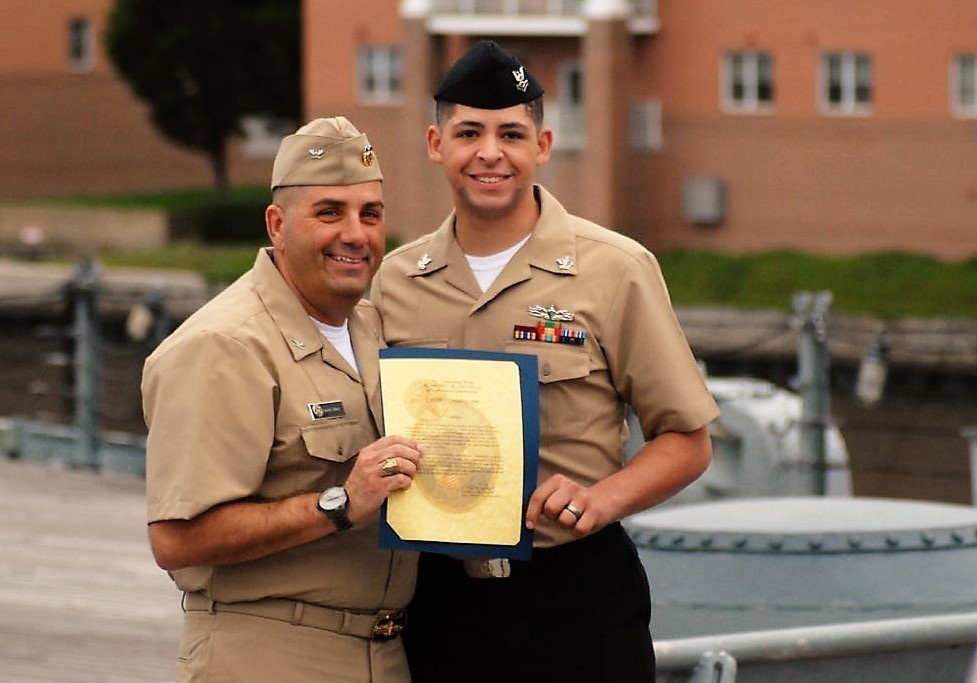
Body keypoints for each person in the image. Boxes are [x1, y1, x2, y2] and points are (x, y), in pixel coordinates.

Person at [371, 41, 720, 682]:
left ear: (543, 144)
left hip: (574, 595)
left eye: (511, 132)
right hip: (435, 598)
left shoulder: (615, 270)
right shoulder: (395, 281)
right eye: (468, 132)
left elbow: (688, 439)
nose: (489, 152)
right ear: (434, 143)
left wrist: (602, 497)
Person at [141, 116, 423, 683]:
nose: (356, 233)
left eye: (370, 214)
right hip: (268, 652)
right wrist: (340, 502)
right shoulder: (223, 345)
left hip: (384, 651)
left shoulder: (370, 330)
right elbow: (177, 539)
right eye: (329, 212)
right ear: (277, 224)